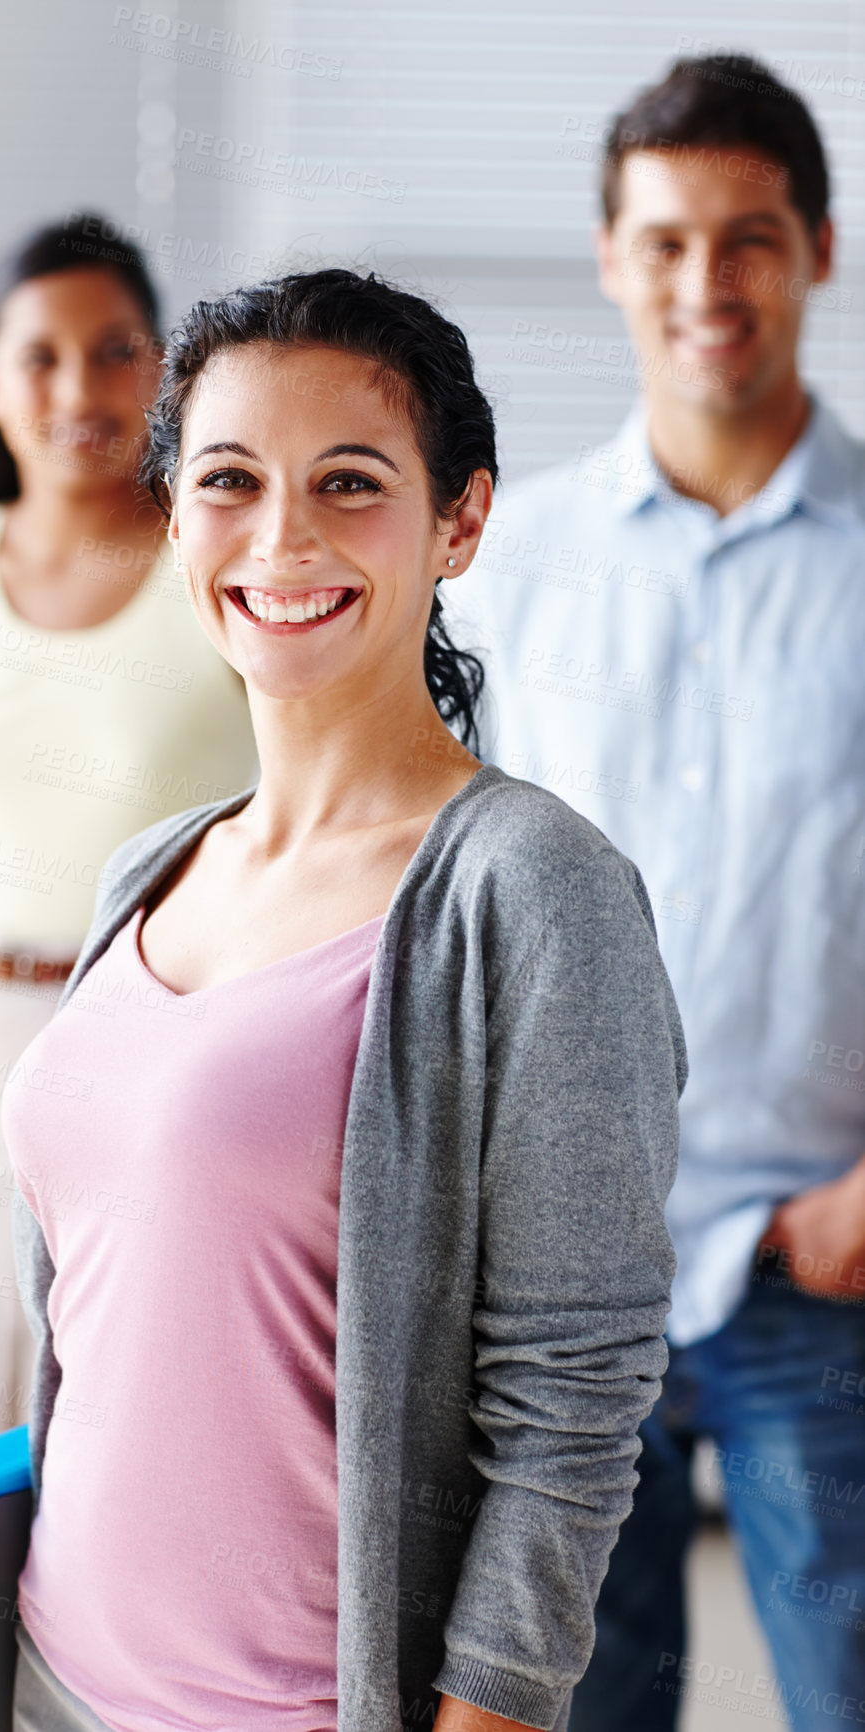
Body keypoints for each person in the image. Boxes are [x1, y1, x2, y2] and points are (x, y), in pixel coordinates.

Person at [1, 267, 687, 1732]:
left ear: (461, 520)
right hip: (46, 1671)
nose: (284, 537)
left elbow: (572, 1407)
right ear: (175, 517)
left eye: (350, 483)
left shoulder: (533, 892)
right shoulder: (150, 868)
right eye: (231, 481)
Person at [451, 55, 865, 1730]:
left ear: (815, 253)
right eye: (668, 241)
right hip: (558, 1283)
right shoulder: (506, 563)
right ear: (610, 259)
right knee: (578, 1708)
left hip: (809, 1272)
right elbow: (440, 895)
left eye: (747, 239)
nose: (707, 285)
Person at [0, 217, 256, 1473]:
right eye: (41, 358)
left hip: (169, 1053)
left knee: (129, 1440)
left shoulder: (218, 560)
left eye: (117, 352)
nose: (81, 390)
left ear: (167, 370)